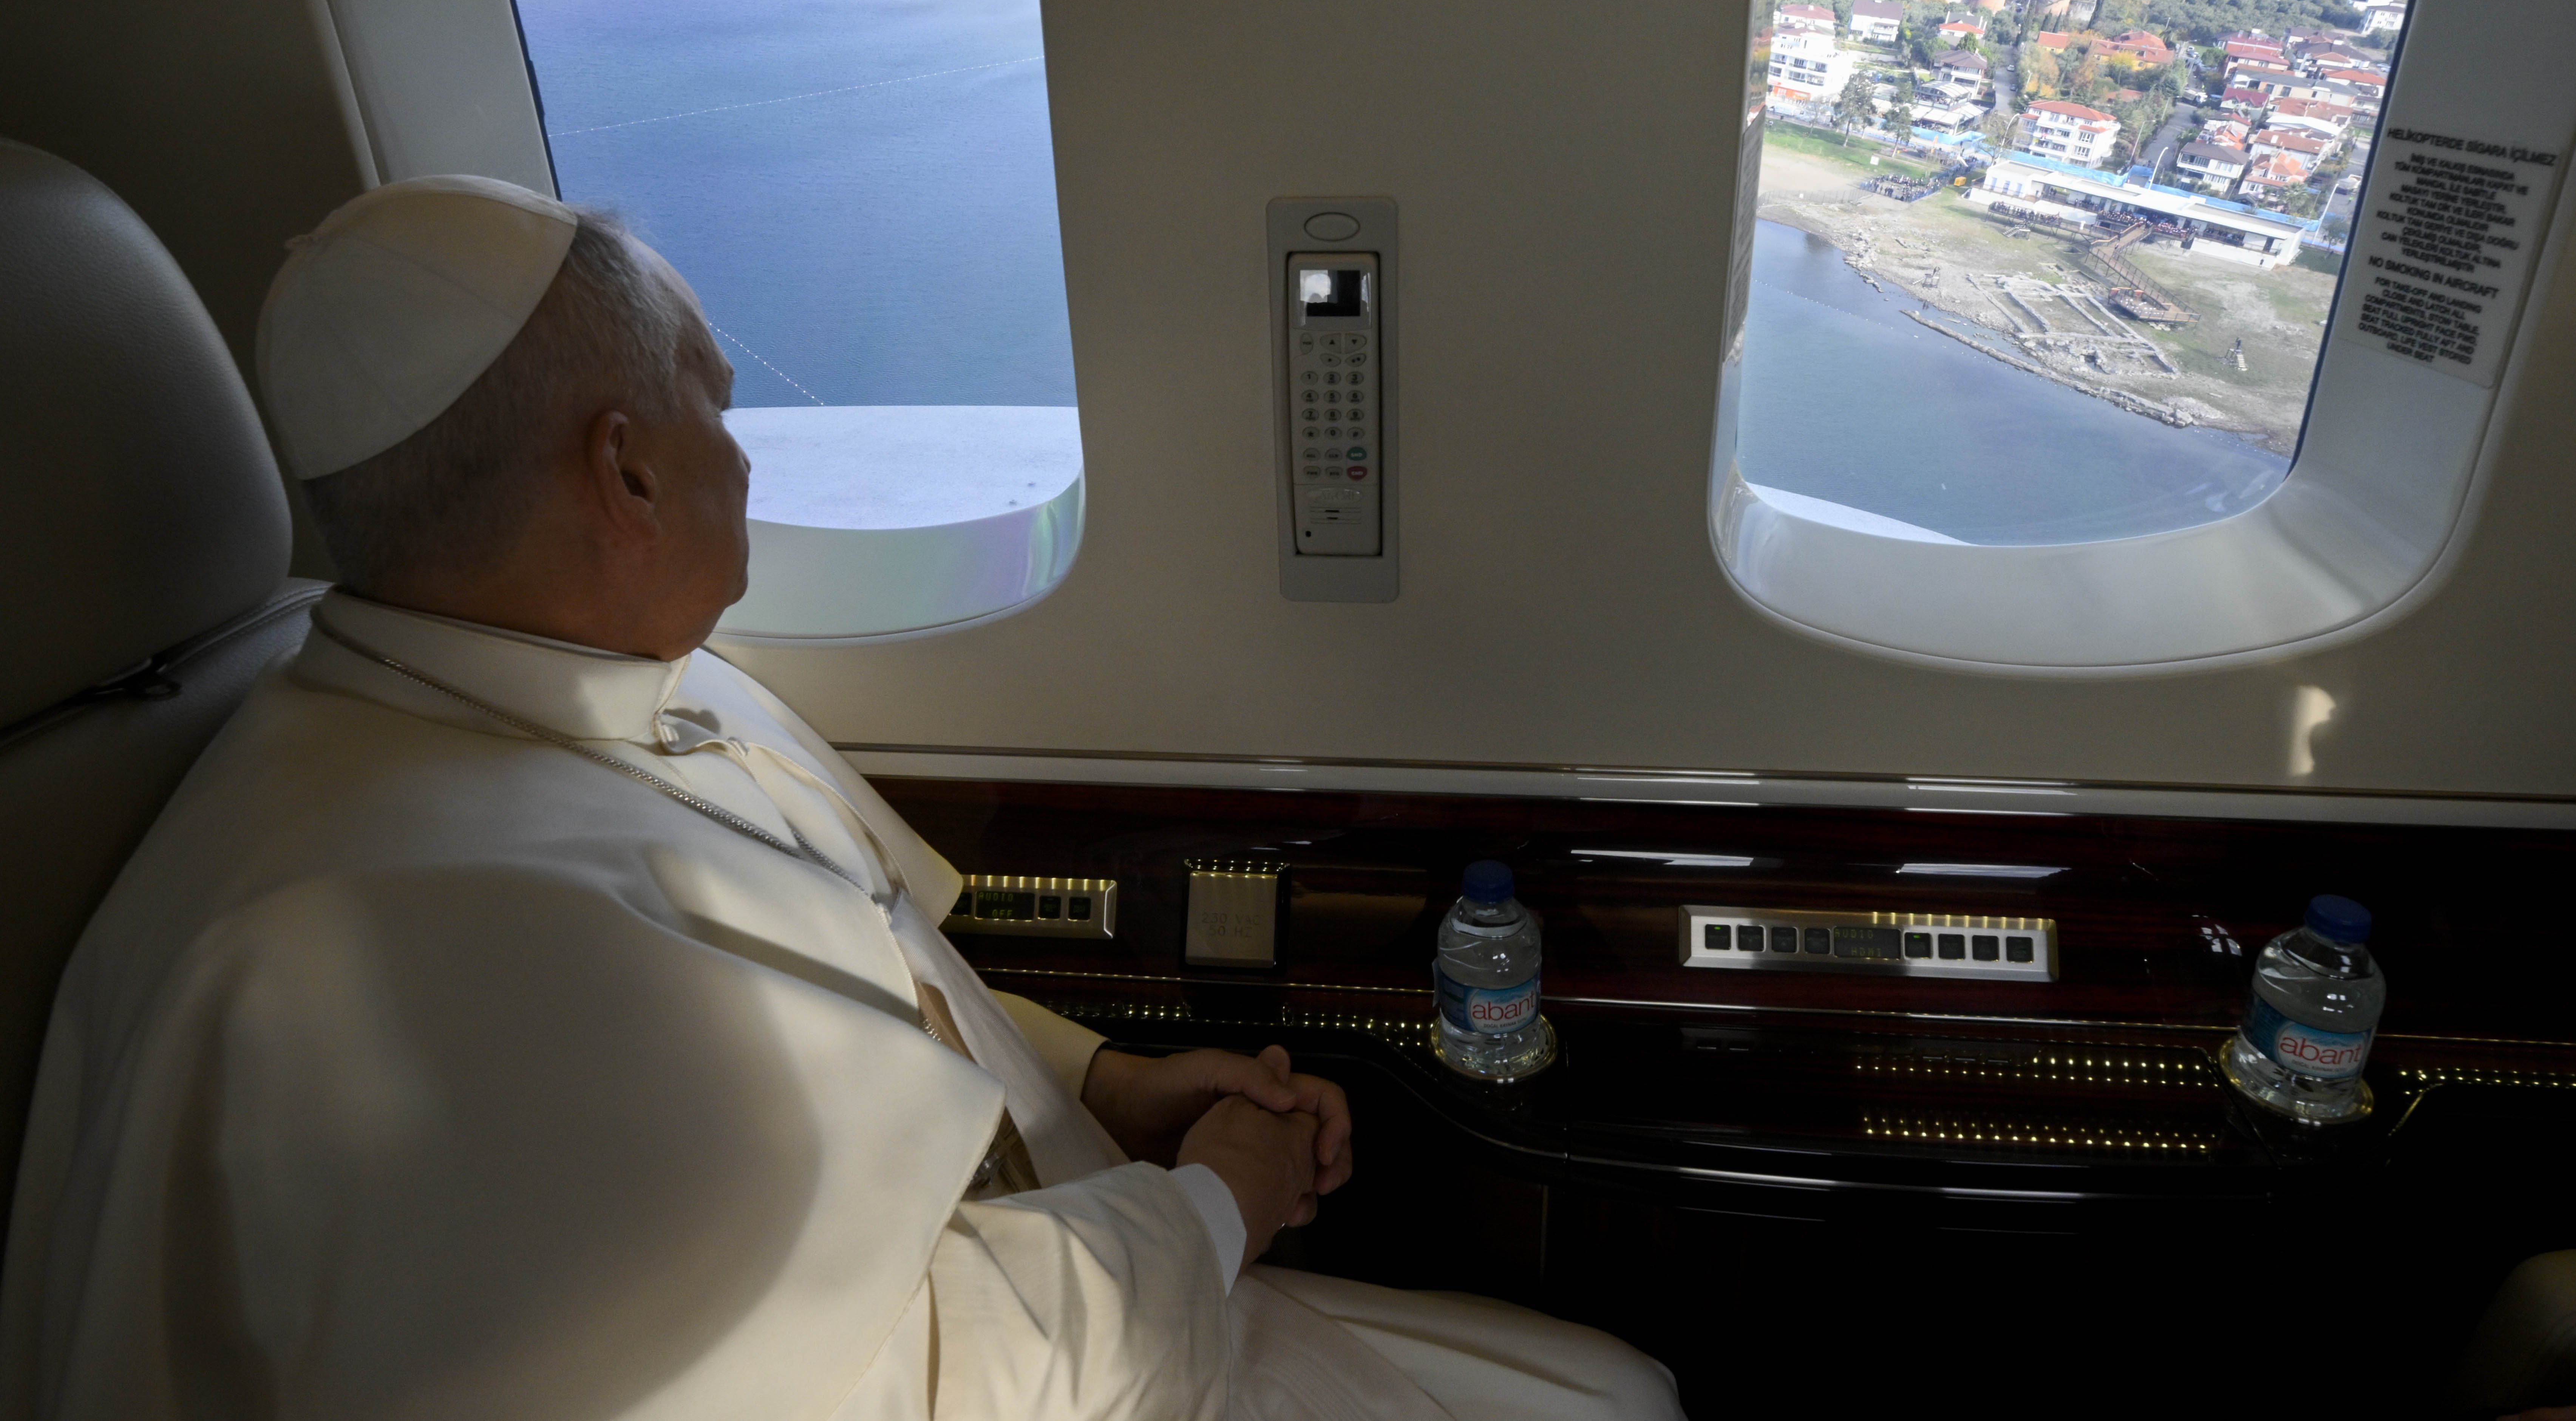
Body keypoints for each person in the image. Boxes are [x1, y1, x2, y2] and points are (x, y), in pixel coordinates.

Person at [0, 176, 1682, 1421]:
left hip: (1099, 1279)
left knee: (1612, 1389)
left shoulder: (581, 674)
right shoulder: (380, 945)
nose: (746, 456)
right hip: (1057, 1354)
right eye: (716, 405)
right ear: (624, 469)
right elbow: (902, 1391)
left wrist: (1114, 1083)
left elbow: (875, 966)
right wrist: (1221, 1200)